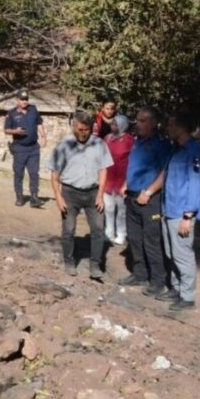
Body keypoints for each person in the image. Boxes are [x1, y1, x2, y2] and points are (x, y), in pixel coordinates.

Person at [51, 112, 114, 281]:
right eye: (80, 129)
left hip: (93, 193)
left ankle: (95, 265)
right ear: (74, 127)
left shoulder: (99, 144)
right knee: (69, 229)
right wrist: (58, 196)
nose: (83, 133)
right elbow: (55, 175)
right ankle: (69, 261)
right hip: (70, 193)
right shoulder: (64, 146)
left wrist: (101, 195)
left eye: (87, 129)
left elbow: (103, 170)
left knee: (99, 229)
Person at [119, 106, 172, 296]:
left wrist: (149, 192)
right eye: (137, 120)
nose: (137, 124)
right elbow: (134, 167)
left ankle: (158, 280)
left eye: (142, 121)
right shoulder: (137, 142)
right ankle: (140, 273)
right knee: (134, 238)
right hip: (132, 197)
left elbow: (166, 173)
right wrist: (126, 184)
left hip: (150, 200)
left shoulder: (161, 145)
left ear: (152, 123)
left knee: (152, 241)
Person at [160, 112, 200, 311]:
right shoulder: (176, 150)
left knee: (183, 254)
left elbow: (196, 185)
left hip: (182, 212)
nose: (168, 129)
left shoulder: (193, 151)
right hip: (169, 209)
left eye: (171, 126)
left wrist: (188, 216)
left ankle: (187, 297)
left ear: (181, 128)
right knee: (172, 252)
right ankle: (176, 288)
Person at [4, 89, 47, 208]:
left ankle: (34, 198)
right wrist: (15, 131)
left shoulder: (33, 109)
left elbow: (39, 123)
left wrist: (43, 136)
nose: (24, 101)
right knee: (19, 173)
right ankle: (19, 197)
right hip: (19, 148)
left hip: (33, 148)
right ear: (17, 100)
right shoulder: (12, 113)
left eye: (26, 99)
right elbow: (6, 130)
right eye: (22, 99)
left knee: (34, 173)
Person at [103, 114, 134, 244]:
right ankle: (109, 232)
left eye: (115, 124)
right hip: (108, 179)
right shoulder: (107, 138)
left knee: (121, 210)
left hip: (122, 179)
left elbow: (133, 160)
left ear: (122, 125)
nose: (112, 125)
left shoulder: (130, 140)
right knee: (108, 208)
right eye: (112, 123)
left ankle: (121, 233)